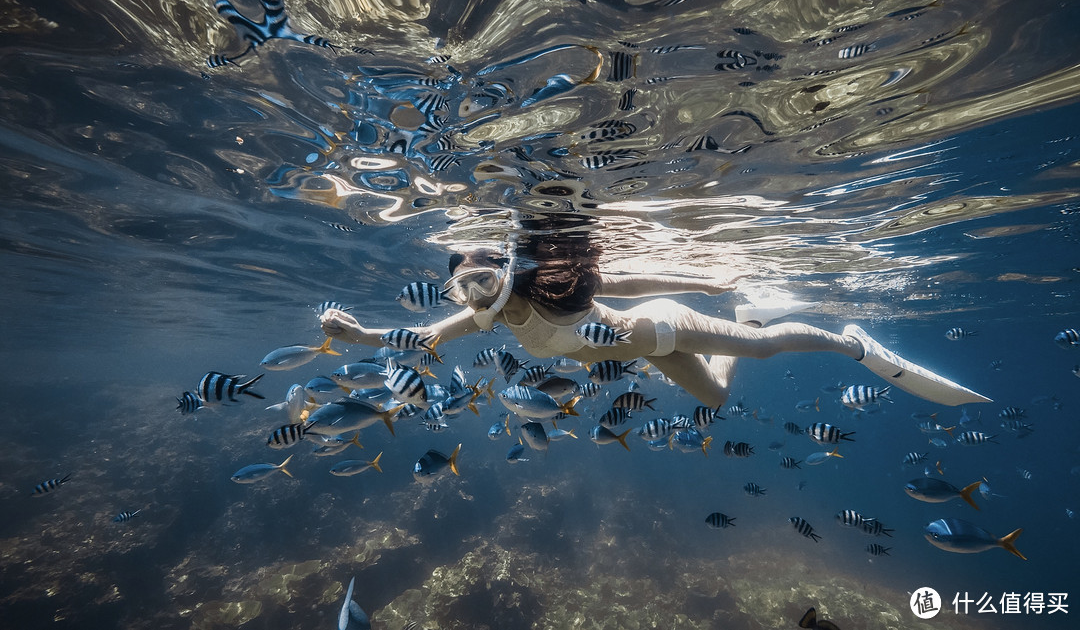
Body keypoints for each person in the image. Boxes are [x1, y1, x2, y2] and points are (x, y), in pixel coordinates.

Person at [320, 214, 992, 408]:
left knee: (757, 352)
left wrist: (704, 282)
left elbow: (631, 273)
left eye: (478, 279)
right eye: (461, 288)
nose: (469, 296)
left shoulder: (554, 285)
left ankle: (853, 345)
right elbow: (411, 338)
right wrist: (355, 335)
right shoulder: (486, 321)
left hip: (663, 322)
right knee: (718, 398)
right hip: (650, 354)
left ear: (502, 268)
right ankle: (751, 319)